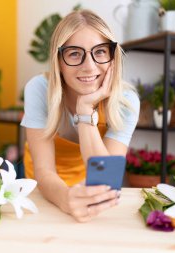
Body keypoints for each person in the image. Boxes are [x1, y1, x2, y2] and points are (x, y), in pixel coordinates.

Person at [20, 9, 140, 222]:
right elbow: (44, 171)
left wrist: (85, 110)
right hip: (44, 192)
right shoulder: (39, 89)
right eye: (75, 53)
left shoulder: (125, 102)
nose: (89, 66)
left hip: (88, 192)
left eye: (100, 51)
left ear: (113, 56)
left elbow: (106, 179)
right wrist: (66, 198)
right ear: (59, 61)